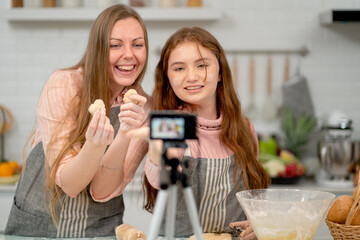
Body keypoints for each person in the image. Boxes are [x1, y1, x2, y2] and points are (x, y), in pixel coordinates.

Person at [5, 4, 150, 238]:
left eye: (137, 44)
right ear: (98, 48)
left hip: (100, 229)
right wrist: (95, 144)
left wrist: (125, 134)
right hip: (40, 225)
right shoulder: (65, 85)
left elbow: (101, 191)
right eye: (115, 45)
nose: (129, 54)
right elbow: (70, 185)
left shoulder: (143, 109)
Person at [129, 27, 270, 240]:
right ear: (167, 78)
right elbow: (157, 178)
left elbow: (255, 199)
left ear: (220, 72)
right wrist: (161, 150)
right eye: (179, 69)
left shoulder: (244, 129)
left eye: (202, 65)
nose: (192, 77)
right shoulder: (172, 126)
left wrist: (258, 222)